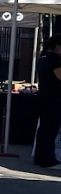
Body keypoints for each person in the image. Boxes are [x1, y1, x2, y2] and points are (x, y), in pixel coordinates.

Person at [32, 34, 61, 169]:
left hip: (44, 96)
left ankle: (40, 157)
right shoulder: (55, 60)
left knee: (44, 128)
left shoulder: (42, 58)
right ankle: (47, 158)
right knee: (50, 129)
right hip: (54, 98)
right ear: (56, 47)